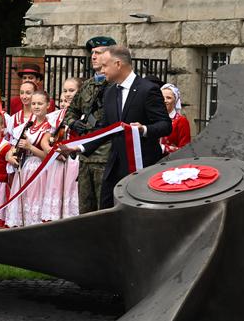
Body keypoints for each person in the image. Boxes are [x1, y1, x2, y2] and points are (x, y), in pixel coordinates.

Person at [73, 46, 172, 209]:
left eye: (105, 65)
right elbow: (106, 128)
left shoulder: (148, 89)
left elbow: (165, 126)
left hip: (142, 165)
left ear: (118, 64)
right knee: (107, 209)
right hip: (114, 165)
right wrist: (79, 147)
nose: (101, 70)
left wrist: (144, 129)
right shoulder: (110, 91)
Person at [62, 36, 116, 214]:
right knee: (85, 208)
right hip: (85, 156)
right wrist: (74, 123)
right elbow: (70, 112)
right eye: (92, 53)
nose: (93, 56)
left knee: (104, 209)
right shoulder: (87, 85)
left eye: (98, 53)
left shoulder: (117, 85)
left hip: (105, 156)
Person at [5, 91, 52, 227]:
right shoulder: (27, 126)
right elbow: (13, 148)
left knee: (36, 201)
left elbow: (49, 156)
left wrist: (30, 147)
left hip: (41, 169)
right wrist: (10, 156)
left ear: (48, 105)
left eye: (40, 103)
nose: (36, 106)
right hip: (26, 168)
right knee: (24, 203)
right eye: (34, 104)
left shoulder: (50, 128)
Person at [41, 94, 79, 221]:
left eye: (71, 91)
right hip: (58, 161)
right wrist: (51, 151)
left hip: (74, 160)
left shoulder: (83, 115)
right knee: (56, 191)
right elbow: (45, 140)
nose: (67, 95)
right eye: (65, 91)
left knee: (70, 191)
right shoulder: (56, 116)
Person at [160, 83, 191, 155]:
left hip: (170, 163)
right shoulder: (153, 118)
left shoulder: (181, 121)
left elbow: (185, 150)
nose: (164, 100)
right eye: (162, 97)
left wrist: (164, 148)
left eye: (168, 98)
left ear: (175, 101)